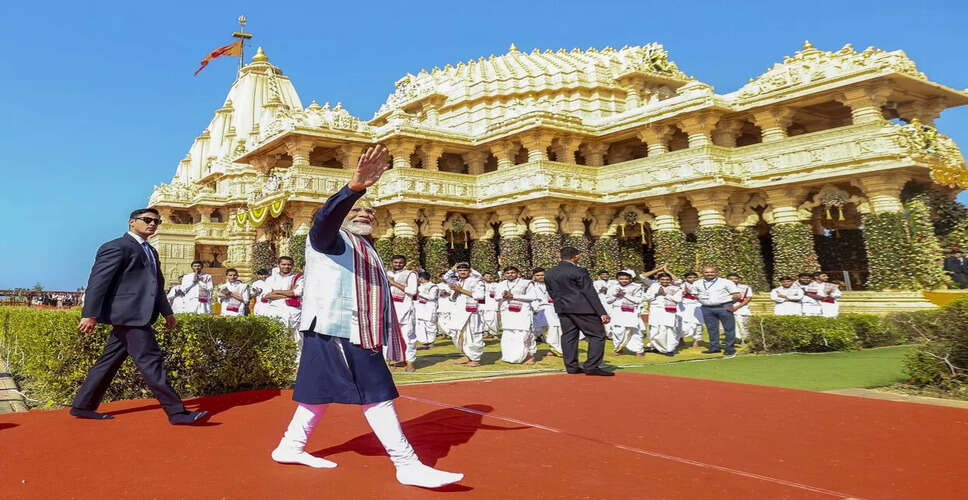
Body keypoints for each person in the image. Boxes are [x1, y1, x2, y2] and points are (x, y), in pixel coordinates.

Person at [271, 145, 463, 488]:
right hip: (340, 327)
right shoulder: (329, 240)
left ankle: (290, 445)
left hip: (338, 328)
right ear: (343, 214)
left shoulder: (363, 247)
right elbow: (325, 218)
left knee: (317, 394)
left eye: (370, 212)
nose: (366, 214)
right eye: (358, 210)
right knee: (377, 393)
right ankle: (406, 464)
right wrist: (354, 188)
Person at [70, 208, 207, 425]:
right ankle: (177, 413)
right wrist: (90, 314)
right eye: (147, 220)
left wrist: (167, 312)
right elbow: (98, 282)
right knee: (152, 362)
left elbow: (156, 285)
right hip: (129, 315)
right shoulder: (116, 247)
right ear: (132, 222)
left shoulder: (151, 251)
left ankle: (82, 405)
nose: (152, 224)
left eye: (156, 221)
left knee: (108, 362)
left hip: (139, 315)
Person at [544, 247, 613, 376]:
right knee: (597, 335)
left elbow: (551, 291)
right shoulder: (579, 271)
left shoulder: (550, 272)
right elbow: (589, 291)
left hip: (563, 308)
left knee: (569, 336)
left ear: (560, 256)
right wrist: (601, 312)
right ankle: (591, 366)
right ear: (576, 256)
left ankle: (571, 367)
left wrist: (561, 303)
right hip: (583, 308)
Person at [446, 263, 486, 367]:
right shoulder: (457, 281)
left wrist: (461, 290)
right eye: (460, 270)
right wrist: (456, 291)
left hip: (471, 312)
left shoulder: (476, 281)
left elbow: (480, 296)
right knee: (458, 334)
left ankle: (475, 358)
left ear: (469, 271)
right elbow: (452, 298)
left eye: (465, 270)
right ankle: (467, 355)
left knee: (472, 334)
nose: (462, 272)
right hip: (458, 311)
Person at [496, 266, 538, 364]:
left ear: (517, 273)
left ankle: (529, 356)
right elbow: (497, 297)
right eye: (508, 273)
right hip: (508, 312)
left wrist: (514, 296)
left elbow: (532, 296)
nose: (510, 275)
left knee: (523, 333)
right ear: (504, 274)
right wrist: (504, 296)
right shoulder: (501, 284)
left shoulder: (526, 283)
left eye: (512, 272)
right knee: (509, 334)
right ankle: (510, 356)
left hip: (522, 312)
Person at [697, 266, 741, 357]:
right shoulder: (697, 283)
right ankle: (714, 347)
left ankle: (730, 349)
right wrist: (704, 301)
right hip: (707, 308)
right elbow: (695, 294)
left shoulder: (726, 282)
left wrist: (731, 304)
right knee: (711, 329)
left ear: (717, 273)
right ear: (702, 273)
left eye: (712, 272)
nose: (709, 274)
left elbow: (737, 295)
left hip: (724, 307)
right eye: (707, 272)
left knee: (729, 329)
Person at [263, 257, 304, 347]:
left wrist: (275, 291)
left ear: (293, 266)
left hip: (293, 313)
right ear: (278, 265)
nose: (286, 266)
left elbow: (297, 293)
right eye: (283, 264)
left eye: (289, 264)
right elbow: (266, 295)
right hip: (274, 312)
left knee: (295, 340)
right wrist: (289, 293)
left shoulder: (298, 278)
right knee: (275, 338)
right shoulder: (271, 279)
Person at [386, 255, 418, 372]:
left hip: (405, 310)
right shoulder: (388, 273)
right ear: (392, 262)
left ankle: (410, 362)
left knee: (408, 337)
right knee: (390, 336)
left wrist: (393, 283)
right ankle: (397, 359)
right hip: (390, 309)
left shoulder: (410, 274)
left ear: (404, 263)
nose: (398, 264)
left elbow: (413, 291)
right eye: (395, 262)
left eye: (400, 262)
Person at [606, 270, 646, 357]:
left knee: (634, 332)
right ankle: (618, 349)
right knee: (617, 331)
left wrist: (625, 295)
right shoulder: (613, 287)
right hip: (617, 311)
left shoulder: (636, 287)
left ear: (630, 279)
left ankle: (639, 350)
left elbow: (638, 300)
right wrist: (616, 295)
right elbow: (608, 301)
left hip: (631, 311)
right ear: (617, 279)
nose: (624, 280)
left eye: (626, 279)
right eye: (621, 279)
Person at [644, 272, 681, 356]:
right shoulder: (654, 286)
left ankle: (670, 349)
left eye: (667, 279)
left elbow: (678, 299)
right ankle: (656, 347)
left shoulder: (676, 288)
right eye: (662, 279)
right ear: (659, 280)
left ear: (671, 280)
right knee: (654, 331)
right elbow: (646, 297)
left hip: (669, 312)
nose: (665, 281)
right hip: (655, 311)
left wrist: (665, 294)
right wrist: (656, 294)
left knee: (668, 331)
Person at [531, 268, 563, 357]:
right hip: (538, 309)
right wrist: (535, 308)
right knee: (537, 329)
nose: (540, 277)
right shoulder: (531, 286)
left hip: (552, 308)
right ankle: (527, 348)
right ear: (534, 276)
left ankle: (556, 348)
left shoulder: (552, 284)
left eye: (542, 275)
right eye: (537, 275)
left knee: (554, 327)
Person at [670, 271, 704, 347]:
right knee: (681, 323)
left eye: (695, 277)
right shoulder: (681, 285)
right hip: (683, 305)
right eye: (690, 277)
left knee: (697, 323)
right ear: (685, 279)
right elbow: (675, 281)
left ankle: (696, 340)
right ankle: (681, 339)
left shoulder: (701, 285)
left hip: (697, 305)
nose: (693, 279)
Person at [413, 271, 439, 349]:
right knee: (420, 325)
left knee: (430, 325)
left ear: (421, 278)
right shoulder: (419, 286)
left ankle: (431, 342)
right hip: (420, 308)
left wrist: (419, 293)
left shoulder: (433, 286)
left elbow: (432, 297)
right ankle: (424, 342)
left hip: (429, 308)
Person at [726, 273, 753, 343]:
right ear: (727, 280)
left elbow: (748, 298)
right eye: (731, 279)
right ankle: (736, 338)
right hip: (729, 307)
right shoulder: (723, 288)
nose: (733, 280)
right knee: (732, 324)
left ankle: (746, 338)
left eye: (735, 279)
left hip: (743, 308)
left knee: (745, 324)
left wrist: (737, 307)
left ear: (739, 279)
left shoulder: (745, 287)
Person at [479, 272, 500, 337]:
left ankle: (494, 334)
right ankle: (485, 332)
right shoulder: (480, 284)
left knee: (493, 319)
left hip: (493, 304)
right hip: (482, 304)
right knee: (483, 319)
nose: (489, 277)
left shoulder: (496, 285)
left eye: (490, 276)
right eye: (487, 276)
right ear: (483, 277)